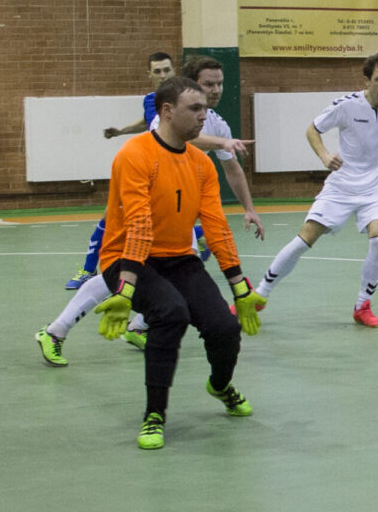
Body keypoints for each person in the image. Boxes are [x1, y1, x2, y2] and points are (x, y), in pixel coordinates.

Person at [35, 56, 265, 366]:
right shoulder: (172, 116)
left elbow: (232, 167)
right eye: (208, 84)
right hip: (142, 213)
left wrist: (249, 207)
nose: (216, 90)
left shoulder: (216, 123)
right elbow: (179, 139)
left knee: (171, 276)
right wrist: (222, 142)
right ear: (191, 87)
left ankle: (131, 325)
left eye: (220, 84)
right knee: (121, 275)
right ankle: (58, 331)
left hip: (176, 219)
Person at [77, 77, 266, 449]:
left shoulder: (201, 164)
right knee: (170, 312)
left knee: (225, 327)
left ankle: (221, 385)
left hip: (178, 258)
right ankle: (154, 414)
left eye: (205, 109)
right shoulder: (134, 154)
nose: (203, 115)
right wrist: (126, 288)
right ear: (167, 111)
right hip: (126, 259)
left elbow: (216, 226)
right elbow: (138, 222)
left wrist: (240, 287)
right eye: (194, 109)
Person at [254, 53, 378, 327]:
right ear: (367, 80)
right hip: (341, 187)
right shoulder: (347, 105)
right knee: (306, 237)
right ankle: (260, 295)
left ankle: (363, 305)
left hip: (375, 191)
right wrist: (325, 156)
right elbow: (312, 130)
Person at [68, 51, 178, 289]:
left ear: (174, 71)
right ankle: (88, 269)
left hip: (173, 173)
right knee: (111, 214)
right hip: (145, 169)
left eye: (166, 70)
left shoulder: (184, 101)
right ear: (149, 74)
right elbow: (147, 122)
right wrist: (121, 131)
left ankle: (196, 239)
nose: (162, 75)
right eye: (157, 71)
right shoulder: (150, 100)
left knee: (170, 220)